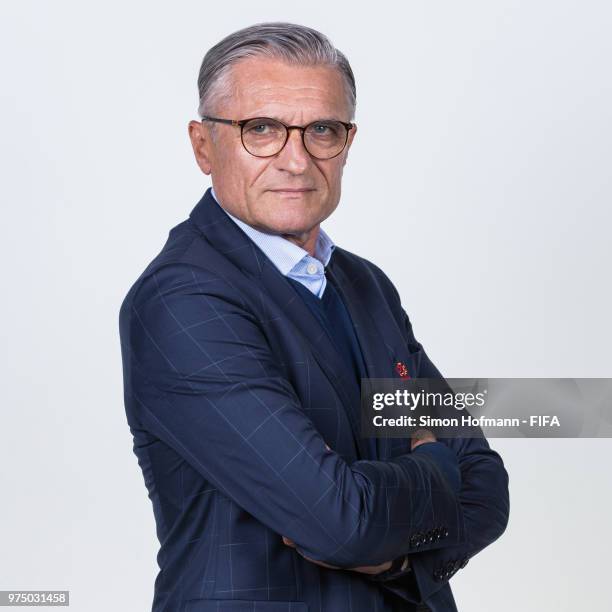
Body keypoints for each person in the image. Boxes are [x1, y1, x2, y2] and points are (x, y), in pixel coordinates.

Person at [118, 22, 509, 612]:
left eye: (321, 130)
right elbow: (340, 523)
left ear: (347, 142)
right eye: (262, 130)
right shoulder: (182, 300)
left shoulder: (366, 286)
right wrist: (434, 462)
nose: (296, 161)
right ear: (204, 145)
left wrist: (402, 558)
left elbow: (487, 485)